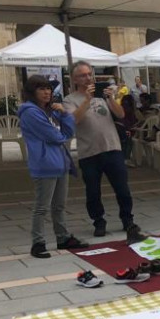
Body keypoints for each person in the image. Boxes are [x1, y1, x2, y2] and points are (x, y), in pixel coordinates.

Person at [62, 61, 145, 242]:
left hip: (112, 147)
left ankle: (127, 219)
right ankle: (98, 221)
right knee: (93, 191)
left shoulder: (102, 96)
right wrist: (87, 100)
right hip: (89, 152)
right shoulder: (70, 100)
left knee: (122, 187)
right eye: (82, 75)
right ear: (74, 79)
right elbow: (73, 120)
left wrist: (110, 99)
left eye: (89, 74)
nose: (87, 78)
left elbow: (121, 114)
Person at [19, 75, 87, 258]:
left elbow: (69, 131)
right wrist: (62, 135)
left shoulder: (51, 111)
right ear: (32, 92)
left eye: (48, 88)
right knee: (42, 206)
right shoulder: (30, 112)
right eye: (41, 89)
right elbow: (56, 136)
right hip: (44, 163)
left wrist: (64, 113)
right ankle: (38, 243)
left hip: (60, 162)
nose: (47, 92)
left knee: (59, 205)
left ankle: (63, 237)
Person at [117, 94, 138, 164]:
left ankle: (125, 157)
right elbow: (130, 121)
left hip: (123, 128)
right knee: (128, 140)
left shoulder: (122, 109)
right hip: (125, 129)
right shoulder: (129, 111)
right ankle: (126, 158)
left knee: (126, 140)